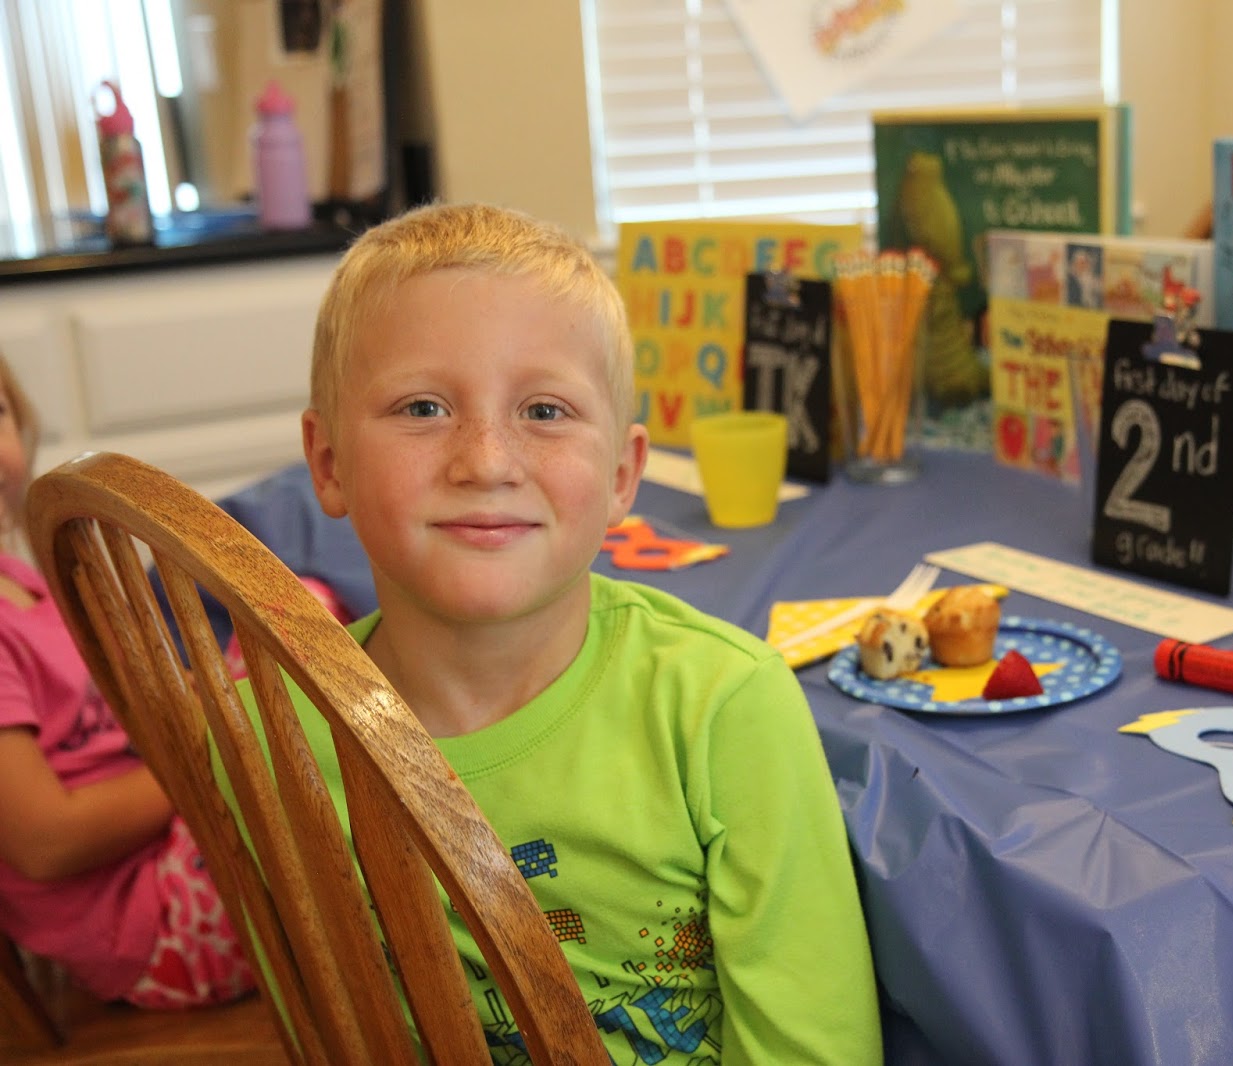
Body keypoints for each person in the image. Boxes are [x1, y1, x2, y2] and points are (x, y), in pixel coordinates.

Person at [274, 201, 881, 1063]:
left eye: (546, 412)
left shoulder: (724, 709)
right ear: (328, 463)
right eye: (422, 407)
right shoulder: (272, 739)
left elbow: (813, 1050)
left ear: (623, 475)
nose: (485, 460)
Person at [0, 353, 255, 1010]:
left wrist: (201, 698)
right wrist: (205, 749)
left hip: (171, 829)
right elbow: (46, 844)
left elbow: (136, 701)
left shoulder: (26, 586)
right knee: (312, 771)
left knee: (303, 613)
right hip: (152, 923)